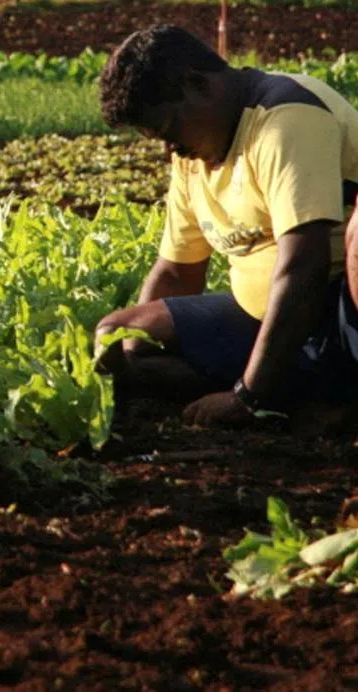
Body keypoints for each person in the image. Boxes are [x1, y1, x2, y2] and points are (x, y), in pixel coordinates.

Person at [94, 23, 358, 428]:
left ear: (197, 85)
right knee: (120, 335)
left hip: (340, 313)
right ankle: (310, 397)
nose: (169, 149)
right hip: (274, 325)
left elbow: (304, 267)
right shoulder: (193, 154)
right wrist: (129, 355)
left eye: (169, 131)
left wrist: (247, 396)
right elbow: (177, 272)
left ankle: (301, 393)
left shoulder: (285, 118)